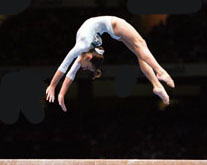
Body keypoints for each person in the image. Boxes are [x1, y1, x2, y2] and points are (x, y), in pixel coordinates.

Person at [46, 16, 175, 112]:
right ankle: (159, 76)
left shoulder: (82, 46)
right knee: (141, 45)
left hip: (113, 26)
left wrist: (54, 87)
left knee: (140, 49)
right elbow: (71, 73)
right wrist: (61, 93)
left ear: (89, 57)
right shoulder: (84, 53)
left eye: (86, 67)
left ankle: (157, 80)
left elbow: (64, 66)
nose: (83, 68)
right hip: (113, 26)